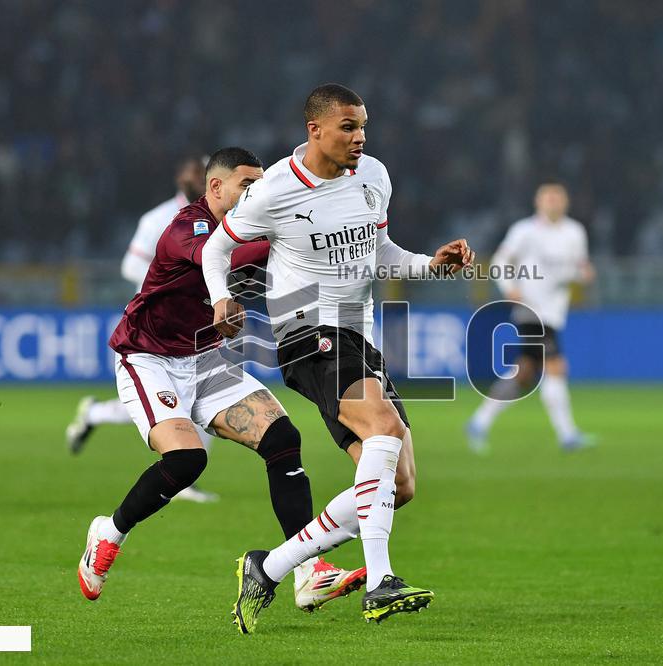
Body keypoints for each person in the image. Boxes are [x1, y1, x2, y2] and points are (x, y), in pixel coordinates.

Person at [201, 84, 474, 632]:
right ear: (315, 130)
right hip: (305, 328)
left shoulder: (374, 175)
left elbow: (380, 251)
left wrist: (429, 264)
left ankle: (268, 568)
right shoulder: (275, 189)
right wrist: (222, 298)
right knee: (384, 424)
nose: (360, 137)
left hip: (358, 333)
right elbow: (217, 248)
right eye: (348, 127)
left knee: (399, 485)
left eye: (363, 126)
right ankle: (380, 582)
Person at [77, 147, 366, 612]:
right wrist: (288, 234)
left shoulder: (255, 225)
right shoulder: (185, 228)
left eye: (262, 186)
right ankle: (108, 532)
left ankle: (308, 572)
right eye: (247, 186)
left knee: (283, 439)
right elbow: (219, 254)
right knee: (188, 459)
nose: (258, 195)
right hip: (149, 357)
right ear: (216, 188)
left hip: (207, 360)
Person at [65, 157, 219, 502]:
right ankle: (94, 413)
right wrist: (168, 279)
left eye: (205, 173)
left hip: (194, 323)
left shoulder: (215, 219)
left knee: (193, 402)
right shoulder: (157, 218)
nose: (200, 178)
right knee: (162, 407)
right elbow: (130, 264)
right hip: (152, 329)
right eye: (195, 172)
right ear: (181, 176)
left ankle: (93, 413)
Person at [466, 181, 596, 453]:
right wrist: (509, 287)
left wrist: (583, 275)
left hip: (554, 311)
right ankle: (567, 435)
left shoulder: (575, 232)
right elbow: (501, 261)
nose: (553, 202)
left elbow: (577, 268)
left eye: (557, 198)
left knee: (524, 373)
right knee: (556, 366)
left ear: (565, 202)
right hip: (530, 309)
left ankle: (479, 421)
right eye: (547, 198)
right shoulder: (525, 231)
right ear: (538, 202)